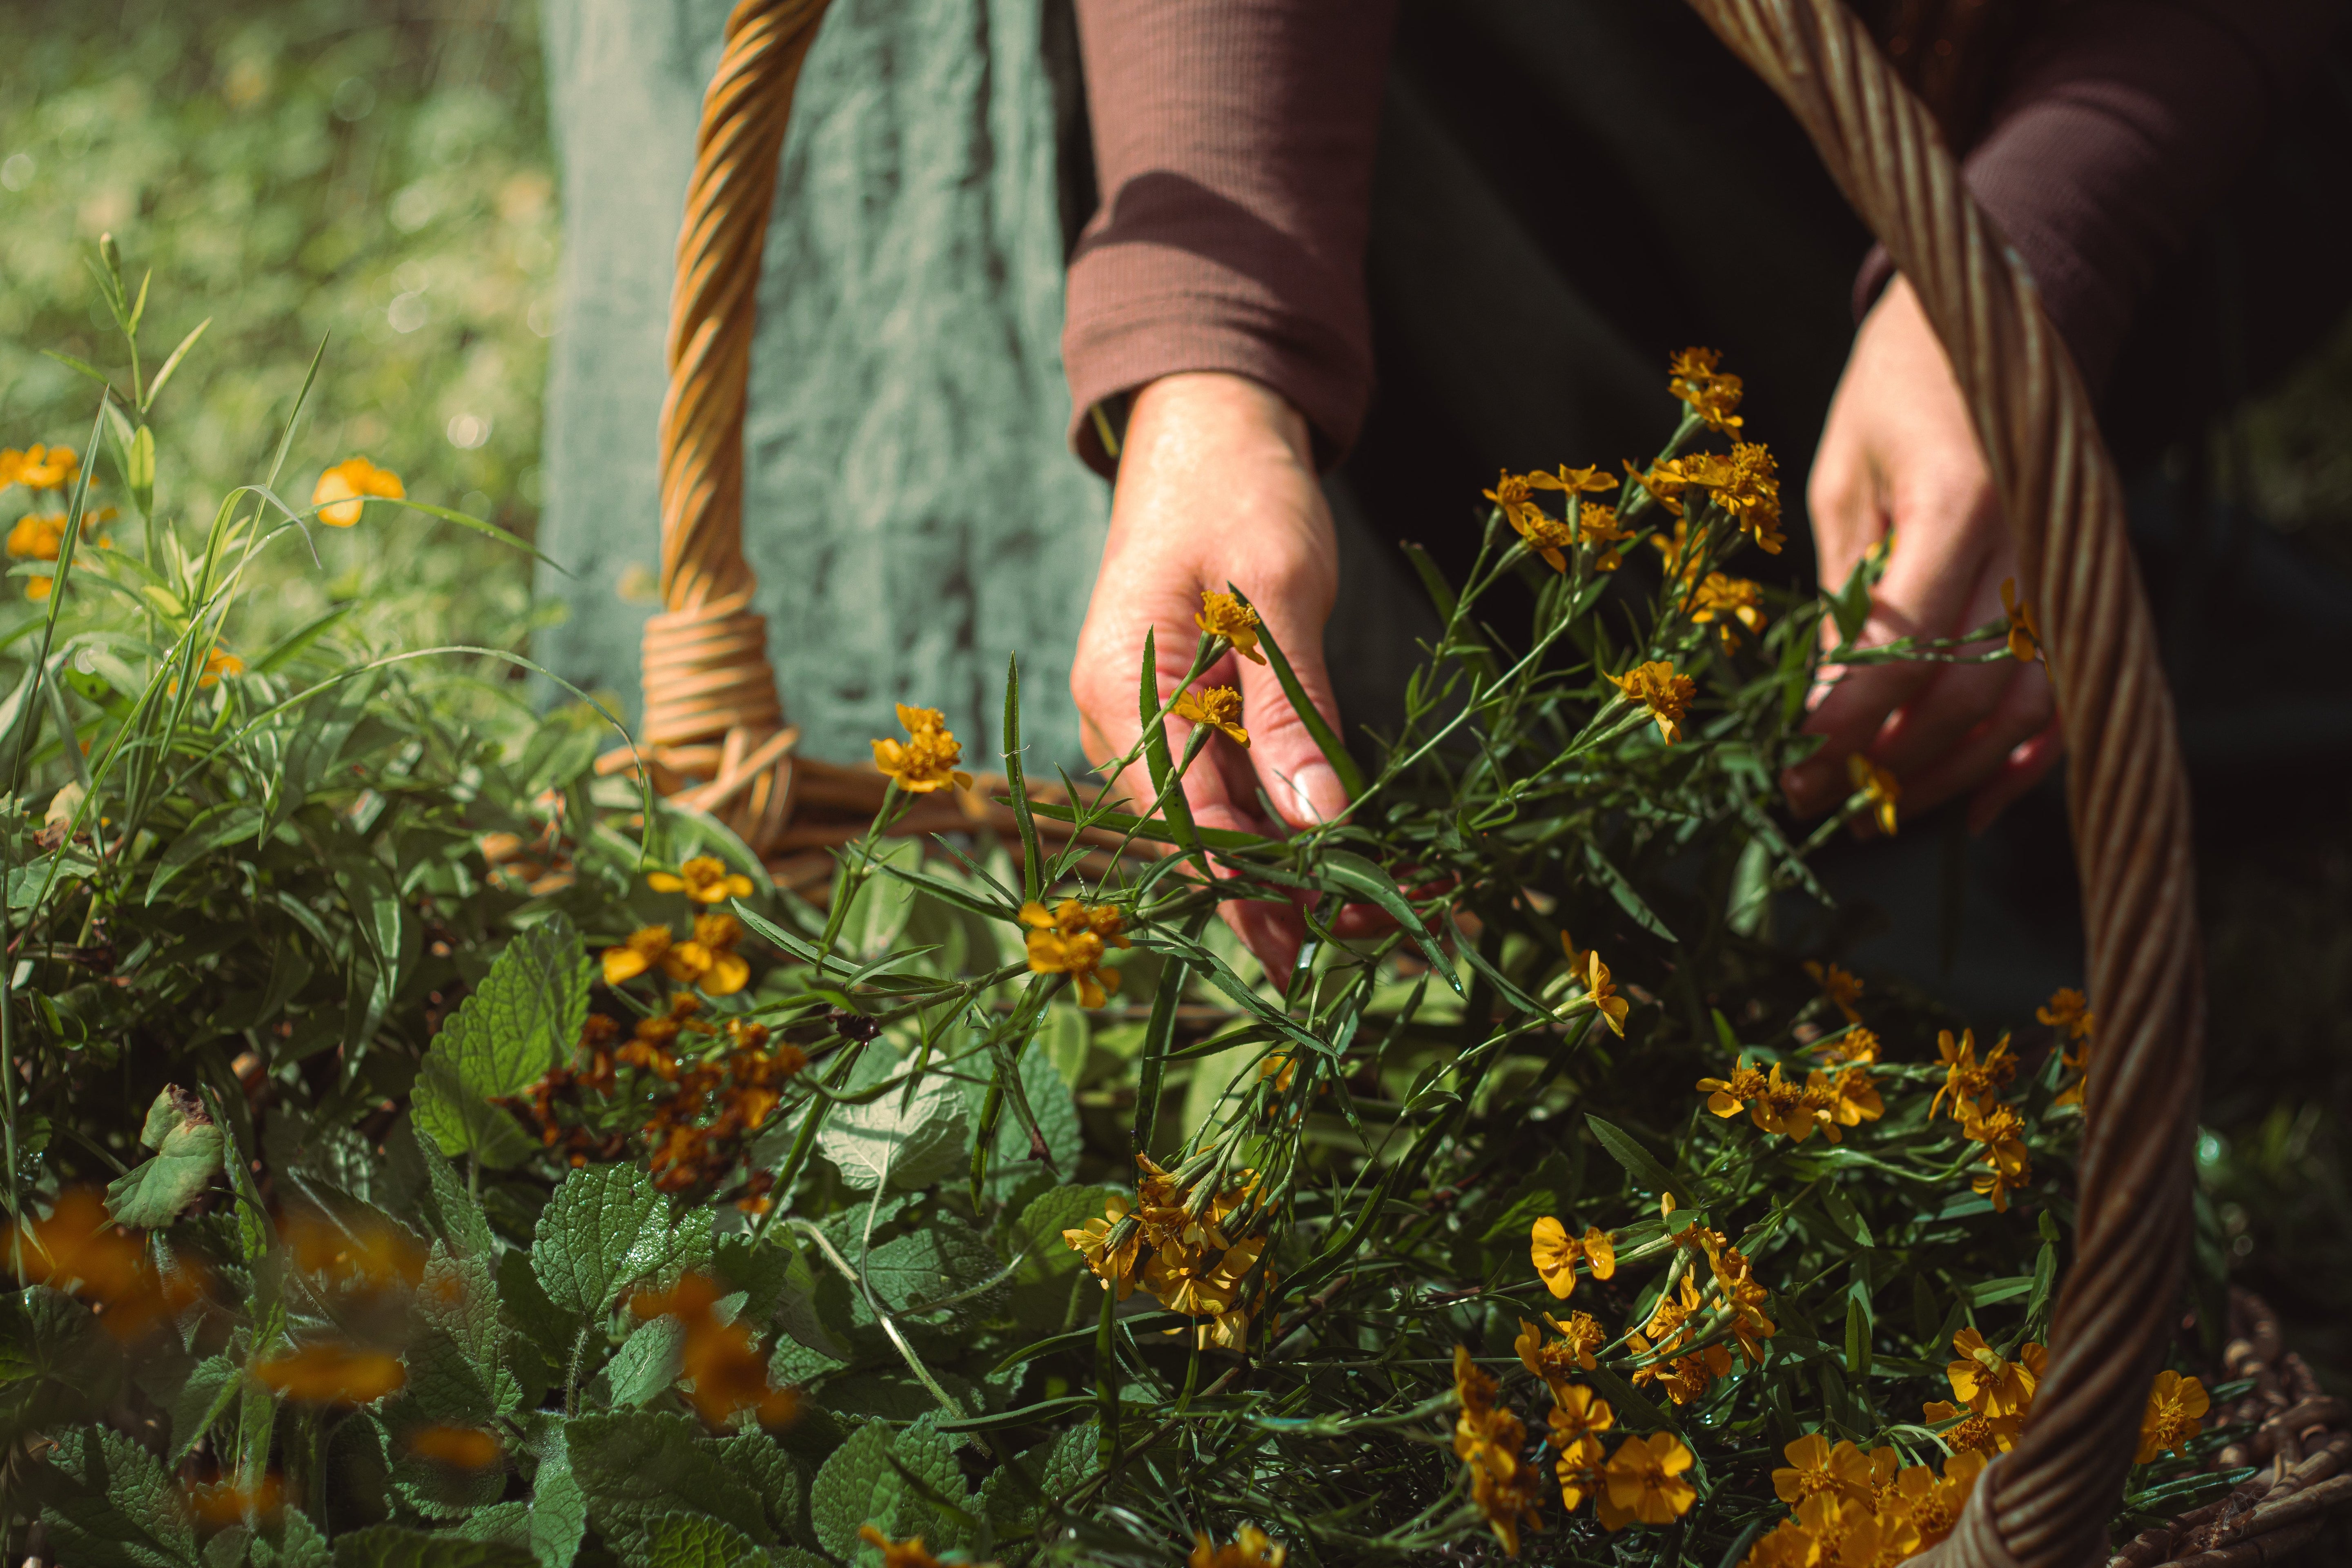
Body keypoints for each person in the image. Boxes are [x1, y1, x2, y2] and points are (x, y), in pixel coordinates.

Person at [1056, 0, 2341, 971]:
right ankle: (1608, 754)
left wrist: (2027, 271)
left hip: (2144, 103)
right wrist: (1214, 374)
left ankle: (1857, 688)